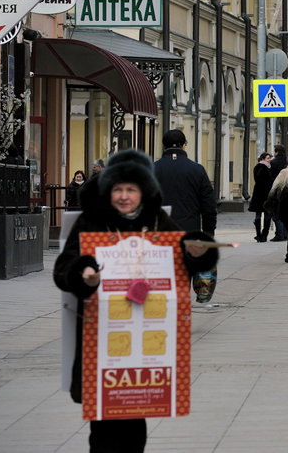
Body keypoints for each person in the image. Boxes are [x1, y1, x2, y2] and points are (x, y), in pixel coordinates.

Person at [54, 149, 217, 452]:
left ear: (144, 191)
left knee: (135, 423)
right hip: (102, 339)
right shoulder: (93, 221)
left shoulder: (157, 221)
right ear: (108, 189)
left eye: (131, 189)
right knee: (103, 427)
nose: (124, 196)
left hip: (146, 341)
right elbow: (64, 268)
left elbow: (182, 259)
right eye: (118, 189)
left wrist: (198, 252)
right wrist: (84, 273)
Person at [152, 129, 218, 302]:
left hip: (160, 234)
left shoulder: (152, 169)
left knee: (163, 278)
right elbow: (208, 205)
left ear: (163, 146)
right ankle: (183, 314)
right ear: (184, 145)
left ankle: (167, 314)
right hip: (190, 232)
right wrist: (209, 231)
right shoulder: (197, 170)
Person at [249, 151, 274, 242]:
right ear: (263, 159)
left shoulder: (257, 167)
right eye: (268, 158)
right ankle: (263, 235)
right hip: (265, 194)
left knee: (258, 214)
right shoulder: (264, 168)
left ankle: (259, 235)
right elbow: (268, 181)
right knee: (267, 215)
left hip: (258, 194)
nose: (270, 160)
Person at [267, 144, 288, 242]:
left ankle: (279, 234)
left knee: (276, 213)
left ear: (276, 152)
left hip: (276, 190)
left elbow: (270, 178)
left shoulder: (273, 163)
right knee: (285, 212)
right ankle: (286, 234)